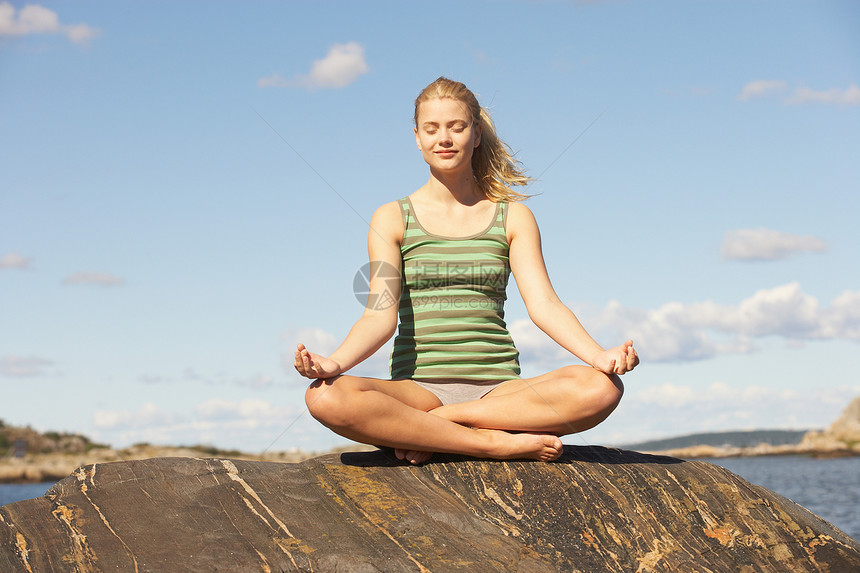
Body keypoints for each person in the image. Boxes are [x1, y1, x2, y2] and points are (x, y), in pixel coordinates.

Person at [295, 77, 638, 465]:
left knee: (602, 388)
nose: (444, 138)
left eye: (457, 127)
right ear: (417, 137)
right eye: (432, 128)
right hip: (418, 390)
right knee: (324, 395)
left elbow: (544, 305)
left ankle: (441, 427)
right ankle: (493, 444)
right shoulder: (392, 218)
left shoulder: (513, 217)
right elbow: (378, 316)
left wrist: (599, 356)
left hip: (501, 394)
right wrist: (334, 364)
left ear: (475, 134)